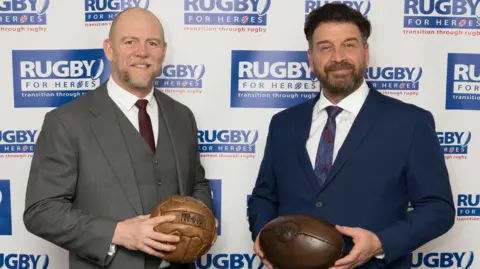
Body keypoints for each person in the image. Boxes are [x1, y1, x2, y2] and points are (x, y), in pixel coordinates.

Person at [247, 3, 455, 269]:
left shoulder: (410, 122)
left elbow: (438, 209)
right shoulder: (283, 123)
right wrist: (264, 236)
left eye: (349, 45)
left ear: (366, 53)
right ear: (310, 59)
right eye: (325, 47)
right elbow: (264, 195)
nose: (338, 57)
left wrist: (380, 242)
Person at [23, 7, 214, 269]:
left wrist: (200, 221)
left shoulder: (182, 116)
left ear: (163, 51)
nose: (142, 52)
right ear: (109, 49)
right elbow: (41, 211)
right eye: (130, 41)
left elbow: (198, 185)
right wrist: (118, 233)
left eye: (152, 43)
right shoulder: (66, 121)